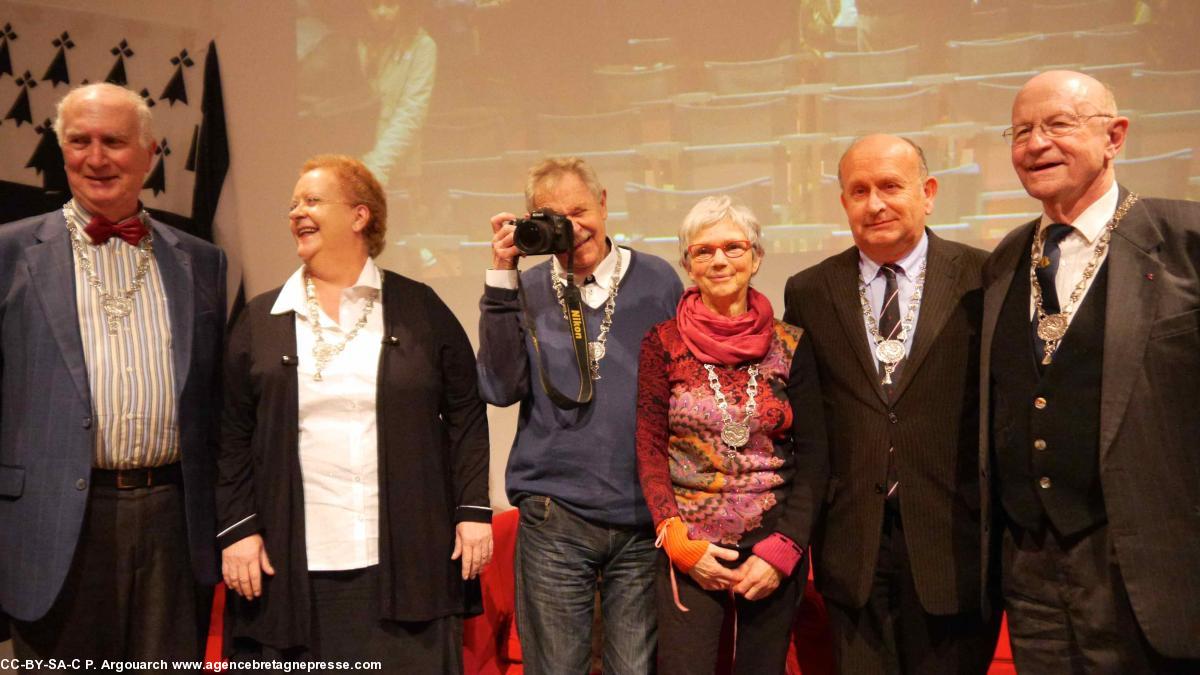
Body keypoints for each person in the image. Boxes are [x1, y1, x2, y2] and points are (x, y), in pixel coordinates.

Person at [217, 154, 491, 672]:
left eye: (312, 200)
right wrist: (237, 529)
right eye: (293, 203)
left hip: (407, 562)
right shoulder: (261, 319)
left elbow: (466, 412)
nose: (297, 211)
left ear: (360, 216)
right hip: (291, 566)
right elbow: (230, 435)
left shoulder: (418, 308)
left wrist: (472, 510)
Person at [980, 69, 1200, 673]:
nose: (1036, 143)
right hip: (1030, 569)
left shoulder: (1186, 243)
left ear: (1115, 136)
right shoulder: (1003, 260)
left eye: (1059, 124)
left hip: (1148, 563)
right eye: (1022, 130)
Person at [0, 83, 226, 661]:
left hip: (172, 519)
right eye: (79, 141)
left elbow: (214, 401)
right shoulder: (9, 253)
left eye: (114, 142)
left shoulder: (202, 260)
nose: (96, 158)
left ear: (150, 153)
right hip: (54, 523)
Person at [783, 134, 998, 674]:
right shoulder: (809, 290)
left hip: (955, 539)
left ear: (927, 193)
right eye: (859, 190)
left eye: (890, 186)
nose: (874, 203)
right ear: (843, 204)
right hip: (853, 543)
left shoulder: (985, 277)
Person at [477, 156, 683, 674]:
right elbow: (500, 389)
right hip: (555, 513)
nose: (572, 226)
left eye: (580, 210)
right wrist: (502, 279)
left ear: (605, 204)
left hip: (641, 514)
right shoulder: (526, 291)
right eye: (554, 217)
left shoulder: (658, 280)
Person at [635, 195, 827, 674]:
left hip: (773, 543)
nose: (719, 260)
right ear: (687, 264)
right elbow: (649, 446)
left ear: (756, 257)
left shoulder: (792, 343)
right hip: (690, 544)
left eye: (733, 247)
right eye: (703, 251)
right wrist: (675, 538)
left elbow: (817, 456)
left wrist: (787, 547)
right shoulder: (662, 342)